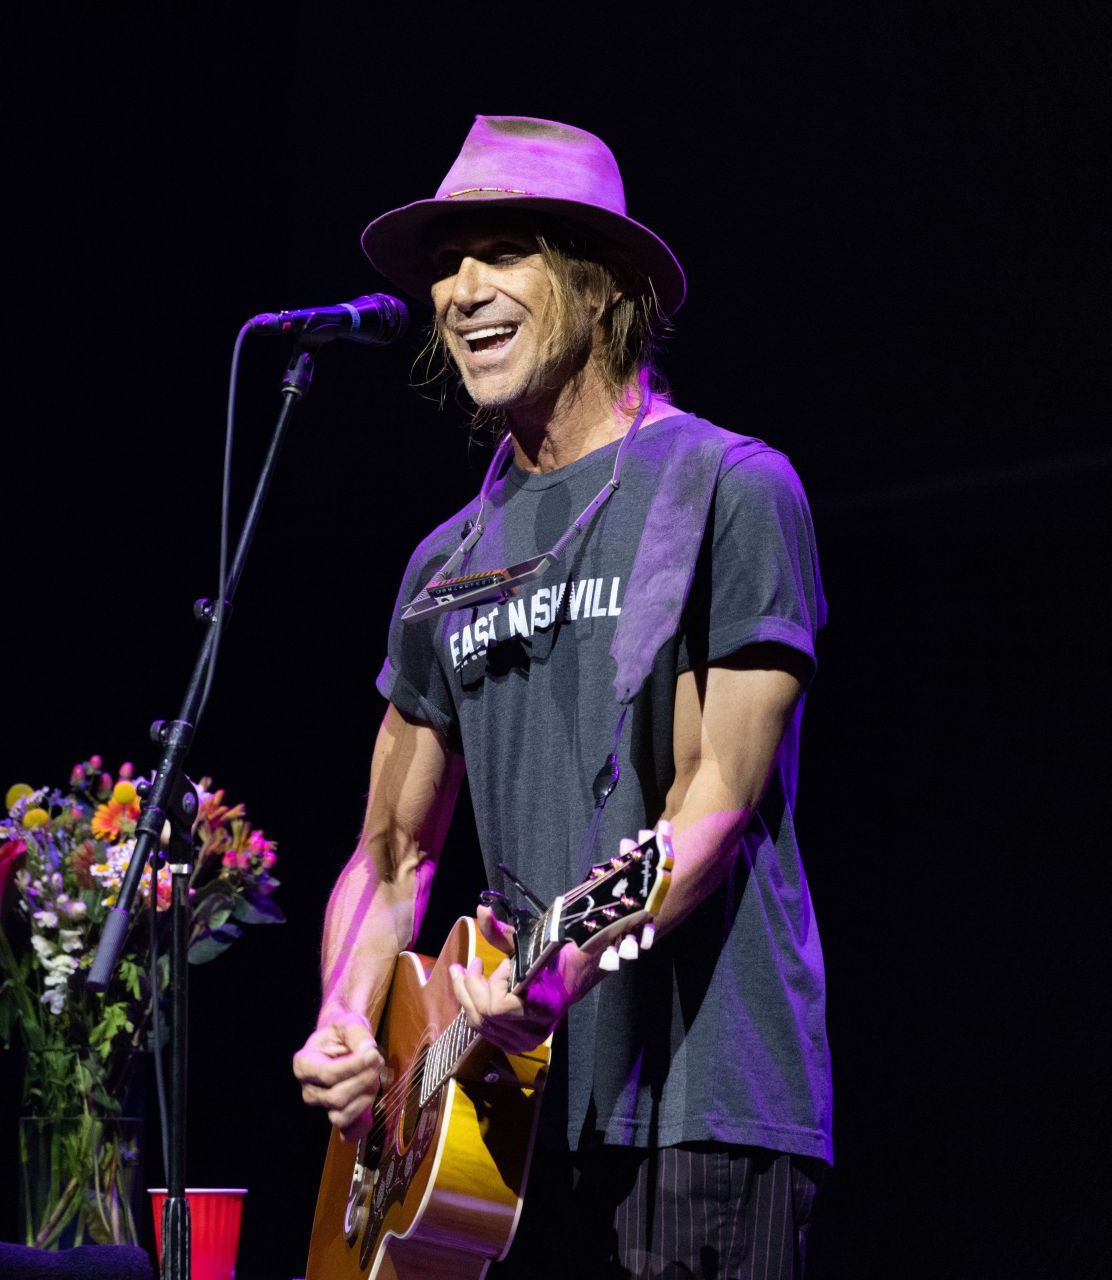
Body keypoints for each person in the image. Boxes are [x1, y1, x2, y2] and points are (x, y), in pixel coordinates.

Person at [291, 116, 830, 1278]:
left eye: (504, 252)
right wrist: (347, 1010)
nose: (461, 290)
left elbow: (717, 798)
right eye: (447, 263)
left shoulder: (726, 488)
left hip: (696, 1104)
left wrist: (563, 967)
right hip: (499, 1123)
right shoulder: (446, 558)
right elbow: (389, 856)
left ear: (605, 285)